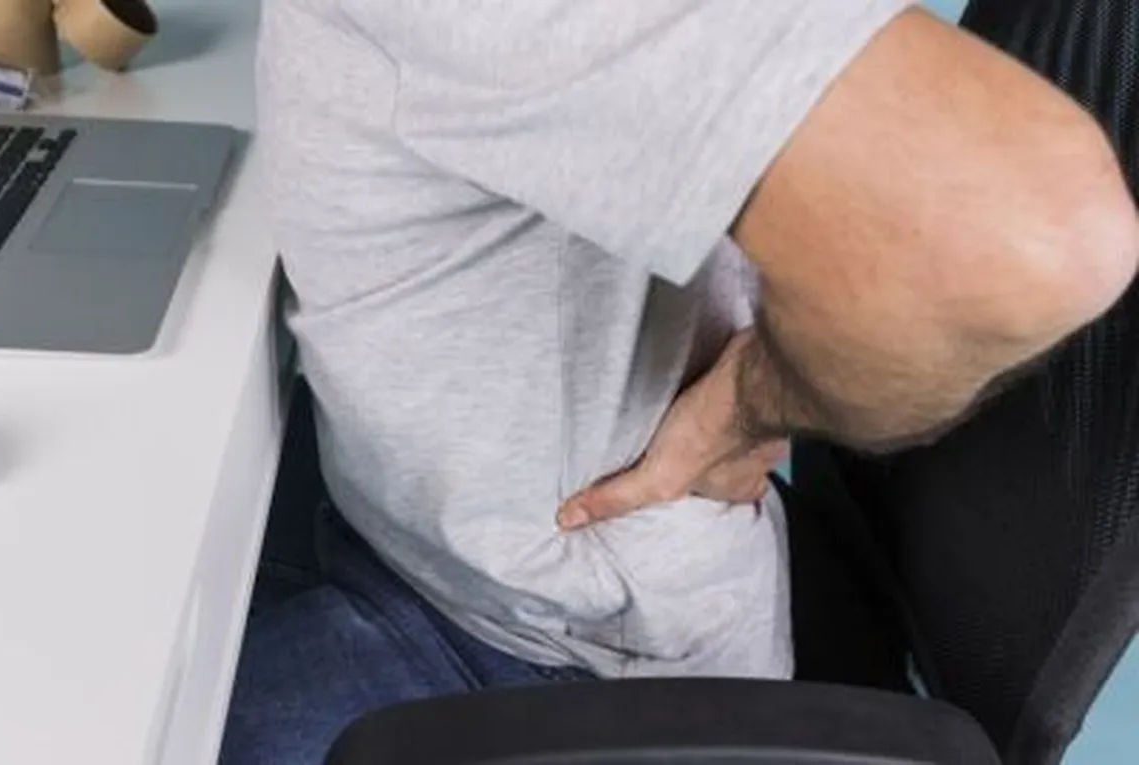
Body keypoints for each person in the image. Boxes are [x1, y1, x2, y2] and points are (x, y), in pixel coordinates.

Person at [222, 1, 1139, 762]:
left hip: (534, 646)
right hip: (435, 551)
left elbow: (1040, 233)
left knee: (144, 697)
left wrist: (744, 411)